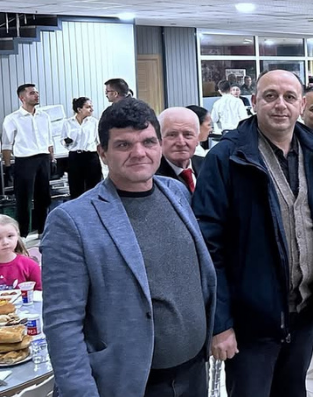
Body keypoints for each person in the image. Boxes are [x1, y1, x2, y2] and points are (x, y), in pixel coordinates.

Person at [192, 70, 313, 397]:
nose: (280, 104)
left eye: (289, 97)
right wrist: (220, 322)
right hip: (250, 321)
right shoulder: (227, 158)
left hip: (304, 314)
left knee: (293, 391)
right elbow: (208, 246)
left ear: (301, 104)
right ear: (254, 102)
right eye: (270, 96)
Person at [42, 98, 216, 397]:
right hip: (129, 384)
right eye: (124, 145)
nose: (139, 153)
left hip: (193, 374)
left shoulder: (176, 192)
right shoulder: (72, 221)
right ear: (102, 153)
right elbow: (62, 324)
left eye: (148, 142)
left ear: (159, 145)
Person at [1, 84, 54, 237]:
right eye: (32, 93)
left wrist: (52, 160)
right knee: (23, 200)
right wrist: (8, 166)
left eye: (37, 92)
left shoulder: (44, 116)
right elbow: (6, 145)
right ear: (22, 98)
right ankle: (23, 235)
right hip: (25, 161)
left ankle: (43, 232)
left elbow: (49, 141)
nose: (36, 95)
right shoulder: (12, 119)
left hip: (43, 159)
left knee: (43, 198)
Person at [155, 108, 204, 194]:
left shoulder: (208, 167)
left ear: (197, 139)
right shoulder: (151, 175)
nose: (181, 143)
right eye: (172, 135)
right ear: (159, 139)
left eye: (188, 134)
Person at [62, 96, 102, 198]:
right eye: (88, 107)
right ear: (79, 109)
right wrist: (67, 142)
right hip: (75, 157)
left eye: (91, 106)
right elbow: (62, 140)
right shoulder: (68, 123)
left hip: (91, 156)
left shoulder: (94, 122)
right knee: (75, 188)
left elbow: (99, 141)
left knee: (93, 187)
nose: (91, 109)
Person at [0, 215, 42, 290]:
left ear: (17, 236)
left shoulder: (30, 265)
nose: (5, 242)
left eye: (10, 236)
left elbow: (41, 292)